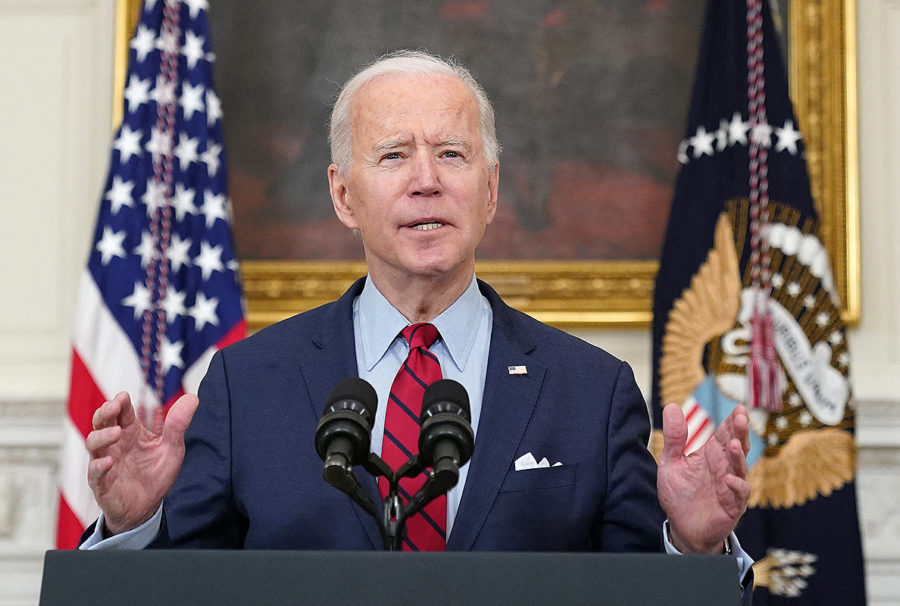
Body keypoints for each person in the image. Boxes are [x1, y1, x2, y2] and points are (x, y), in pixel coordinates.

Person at [83, 49, 752, 593]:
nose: (426, 180)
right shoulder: (248, 384)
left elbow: (644, 594)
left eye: (452, 154)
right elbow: (177, 590)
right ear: (344, 195)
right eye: (394, 154)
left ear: (490, 192)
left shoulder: (592, 392)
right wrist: (133, 526)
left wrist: (695, 549)